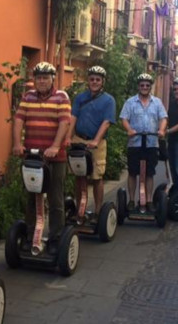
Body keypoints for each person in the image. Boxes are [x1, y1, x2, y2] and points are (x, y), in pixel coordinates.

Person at [12, 61, 71, 244]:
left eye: (45, 78)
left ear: (52, 79)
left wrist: (55, 146)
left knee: (55, 199)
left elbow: (64, 123)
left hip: (55, 158)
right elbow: (19, 119)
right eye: (39, 78)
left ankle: (56, 238)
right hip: (32, 157)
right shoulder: (28, 96)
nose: (42, 81)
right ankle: (31, 237)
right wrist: (17, 144)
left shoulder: (61, 97)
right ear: (34, 79)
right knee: (32, 197)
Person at [68, 66, 116, 217]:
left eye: (98, 79)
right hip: (79, 139)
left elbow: (107, 122)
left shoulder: (109, 100)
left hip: (97, 143)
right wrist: (68, 137)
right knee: (79, 175)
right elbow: (73, 118)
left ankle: (98, 211)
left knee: (97, 177)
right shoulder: (80, 98)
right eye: (92, 79)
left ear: (103, 82)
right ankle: (79, 209)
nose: (94, 82)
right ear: (88, 81)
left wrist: (96, 140)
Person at [119, 73, 168, 212]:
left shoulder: (157, 102)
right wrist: (129, 129)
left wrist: (162, 130)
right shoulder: (130, 102)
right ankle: (131, 200)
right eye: (142, 85)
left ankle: (149, 200)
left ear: (150, 86)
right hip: (135, 143)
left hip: (151, 143)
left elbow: (163, 118)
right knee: (132, 172)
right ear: (138, 86)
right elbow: (124, 118)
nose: (144, 87)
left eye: (147, 85)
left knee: (149, 174)